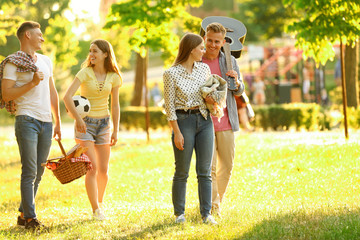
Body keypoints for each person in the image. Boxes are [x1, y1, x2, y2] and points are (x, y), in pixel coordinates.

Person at [0, 21, 61, 230]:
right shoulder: (13, 63)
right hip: (26, 119)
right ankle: (31, 219)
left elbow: (53, 92)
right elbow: (6, 94)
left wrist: (58, 122)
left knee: (39, 172)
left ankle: (22, 214)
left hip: (46, 121)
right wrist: (31, 83)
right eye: (39, 34)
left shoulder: (45, 61)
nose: (42, 38)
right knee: (29, 171)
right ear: (27, 35)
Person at [63, 39, 122, 221]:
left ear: (105, 54)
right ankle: (96, 210)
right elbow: (66, 97)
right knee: (92, 168)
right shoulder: (84, 73)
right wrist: (78, 119)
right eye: (90, 51)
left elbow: (115, 106)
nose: (91, 54)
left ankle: (100, 203)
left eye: (95, 51)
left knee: (103, 170)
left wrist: (115, 130)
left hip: (104, 124)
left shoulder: (114, 77)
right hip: (85, 125)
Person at [163, 33, 217, 225]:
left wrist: (213, 100)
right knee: (182, 171)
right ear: (191, 49)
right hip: (183, 121)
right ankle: (179, 214)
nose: (204, 51)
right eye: (201, 47)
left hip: (204, 120)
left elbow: (209, 95)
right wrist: (176, 132)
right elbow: (169, 106)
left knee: (205, 170)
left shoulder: (204, 69)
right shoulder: (171, 73)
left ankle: (206, 214)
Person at [202, 22, 245, 217]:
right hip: (204, 122)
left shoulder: (229, 60)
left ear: (223, 42)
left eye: (216, 41)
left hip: (227, 121)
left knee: (227, 165)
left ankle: (216, 201)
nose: (212, 44)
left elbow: (240, 90)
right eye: (209, 40)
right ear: (204, 38)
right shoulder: (198, 60)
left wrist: (236, 82)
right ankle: (211, 206)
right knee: (209, 167)